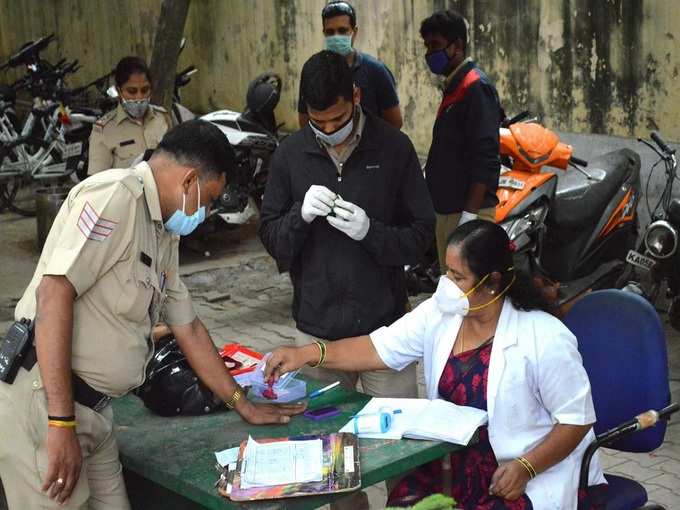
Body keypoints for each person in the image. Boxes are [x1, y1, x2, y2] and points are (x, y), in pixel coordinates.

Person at [0, 120, 305, 509]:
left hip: (94, 412)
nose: (207, 212)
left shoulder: (163, 230)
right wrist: (60, 424)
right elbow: (54, 295)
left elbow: (188, 325)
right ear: (190, 180)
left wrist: (242, 403)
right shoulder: (114, 197)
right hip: (46, 408)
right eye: (209, 200)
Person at [265, 220, 609, 510]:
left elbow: (576, 421)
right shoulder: (442, 314)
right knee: (404, 503)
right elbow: (376, 348)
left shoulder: (544, 337)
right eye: (446, 270)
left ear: (491, 284)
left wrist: (526, 467)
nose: (445, 284)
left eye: (457, 277)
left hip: (523, 470)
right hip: (454, 459)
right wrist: (308, 353)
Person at [260, 50, 434, 400]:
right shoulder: (290, 156)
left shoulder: (394, 148)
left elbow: (422, 238)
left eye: (338, 119)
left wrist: (372, 233)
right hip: (316, 333)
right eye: (317, 122)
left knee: (396, 441)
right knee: (321, 440)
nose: (328, 130)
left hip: (384, 333)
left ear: (356, 96)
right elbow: (275, 242)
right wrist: (300, 216)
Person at [420, 10, 505, 274]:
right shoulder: (455, 86)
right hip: (448, 209)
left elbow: (486, 156)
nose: (429, 54)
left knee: (468, 292)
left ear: (456, 45)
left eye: (435, 45)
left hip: (466, 211)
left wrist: (469, 217)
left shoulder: (474, 86)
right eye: (427, 46)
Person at [298, 1, 403, 130]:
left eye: (342, 31)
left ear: (354, 31)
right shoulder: (313, 71)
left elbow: (395, 123)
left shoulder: (376, 71)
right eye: (330, 32)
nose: (336, 37)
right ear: (324, 33)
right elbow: (304, 121)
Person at [87, 56, 172, 175]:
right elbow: (97, 184)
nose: (139, 97)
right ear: (119, 91)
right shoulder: (104, 130)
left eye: (145, 90)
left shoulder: (162, 118)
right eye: (132, 91)